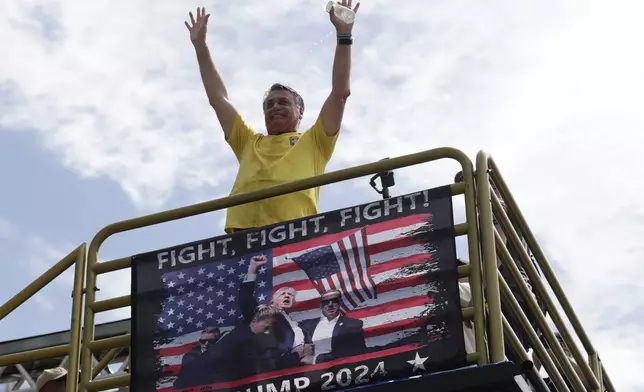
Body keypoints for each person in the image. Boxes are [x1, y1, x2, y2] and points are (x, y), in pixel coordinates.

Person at [184, 1, 360, 233]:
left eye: (283, 102)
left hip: (293, 236)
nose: (274, 107)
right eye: (269, 104)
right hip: (242, 239)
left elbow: (340, 93)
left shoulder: (315, 141)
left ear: (300, 112)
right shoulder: (248, 142)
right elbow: (218, 100)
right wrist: (200, 47)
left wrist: (344, 35)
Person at [240, 255, 313, 368]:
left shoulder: (300, 326)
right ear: (272, 300)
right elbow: (245, 300)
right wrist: (252, 269)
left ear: (293, 302)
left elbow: (309, 349)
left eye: (290, 295)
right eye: (283, 294)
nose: (287, 296)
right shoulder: (264, 315)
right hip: (272, 369)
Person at [300, 289, 366, 364]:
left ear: (340, 303)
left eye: (334, 301)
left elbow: (358, 351)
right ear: (321, 305)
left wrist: (317, 359)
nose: (330, 305)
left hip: (339, 368)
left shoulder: (352, 324)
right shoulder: (307, 325)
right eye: (326, 302)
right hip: (310, 371)